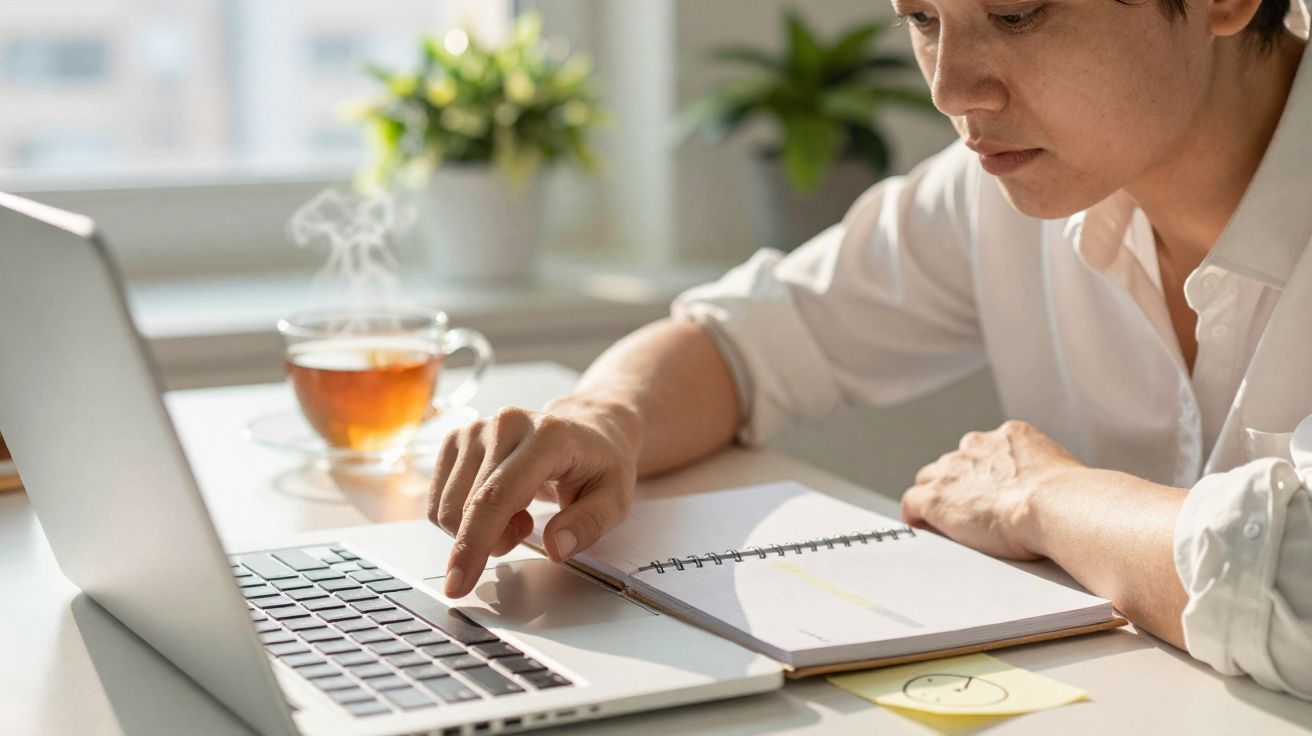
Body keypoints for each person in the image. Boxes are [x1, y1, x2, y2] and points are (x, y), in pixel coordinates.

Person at [427, 0, 1312, 700]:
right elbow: (749, 339)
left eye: (1016, 14)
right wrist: (602, 420)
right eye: (924, 18)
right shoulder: (1000, 190)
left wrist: (1042, 497)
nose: (953, 89)